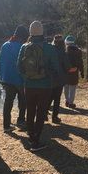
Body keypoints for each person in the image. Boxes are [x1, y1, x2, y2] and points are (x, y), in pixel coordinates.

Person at [17, 21, 59, 152]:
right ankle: (36, 141)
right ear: (42, 33)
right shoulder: (49, 47)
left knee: (30, 111)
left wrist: (29, 74)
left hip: (29, 85)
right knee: (40, 113)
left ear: (30, 33)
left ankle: (30, 138)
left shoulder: (24, 47)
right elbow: (56, 67)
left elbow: (19, 67)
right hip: (45, 86)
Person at [0, 25, 29, 132]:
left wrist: (1, 77)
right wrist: (25, 78)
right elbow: (21, 65)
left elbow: (0, 62)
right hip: (19, 79)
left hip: (7, 78)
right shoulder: (23, 47)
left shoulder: (5, 45)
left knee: (8, 102)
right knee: (23, 100)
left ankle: (6, 126)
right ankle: (20, 120)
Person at [48, 34, 72, 123]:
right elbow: (68, 66)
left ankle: (43, 114)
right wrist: (64, 72)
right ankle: (54, 117)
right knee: (57, 98)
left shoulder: (49, 51)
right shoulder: (63, 53)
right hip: (59, 78)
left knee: (49, 97)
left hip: (49, 78)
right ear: (62, 43)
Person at [64, 35, 84, 108]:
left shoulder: (64, 50)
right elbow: (80, 63)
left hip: (66, 71)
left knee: (66, 86)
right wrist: (82, 72)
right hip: (74, 71)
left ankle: (66, 101)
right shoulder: (78, 51)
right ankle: (70, 102)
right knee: (72, 87)